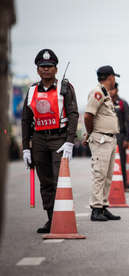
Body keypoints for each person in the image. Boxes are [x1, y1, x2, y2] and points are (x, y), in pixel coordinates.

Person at [21, 49, 79, 233]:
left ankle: (60, 217)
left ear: (56, 68)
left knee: (57, 179)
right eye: (42, 67)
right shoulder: (32, 90)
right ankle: (51, 218)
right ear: (37, 70)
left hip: (58, 138)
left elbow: (73, 114)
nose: (46, 70)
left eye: (49, 66)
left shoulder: (65, 88)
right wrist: (25, 148)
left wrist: (70, 141)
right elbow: (25, 120)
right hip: (39, 139)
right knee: (44, 181)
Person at [83, 65, 121, 222]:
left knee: (107, 175)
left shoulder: (105, 93)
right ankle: (96, 208)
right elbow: (87, 116)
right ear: (110, 77)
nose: (114, 81)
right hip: (101, 138)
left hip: (109, 139)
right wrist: (91, 133)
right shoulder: (98, 92)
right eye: (113, 78)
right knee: (99, 174)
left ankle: (103, 206)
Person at [109, 83, 129, 190]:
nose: (111, 91)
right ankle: (109, 185)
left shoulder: (123, 103)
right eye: (109, 89)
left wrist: (127, 138)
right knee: (108, 161)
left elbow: (128, 122)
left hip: (120, 135)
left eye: (113, 89)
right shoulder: (105, 102)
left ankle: (123, 183)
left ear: (117, 90)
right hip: (108, 134)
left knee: (121, 160)